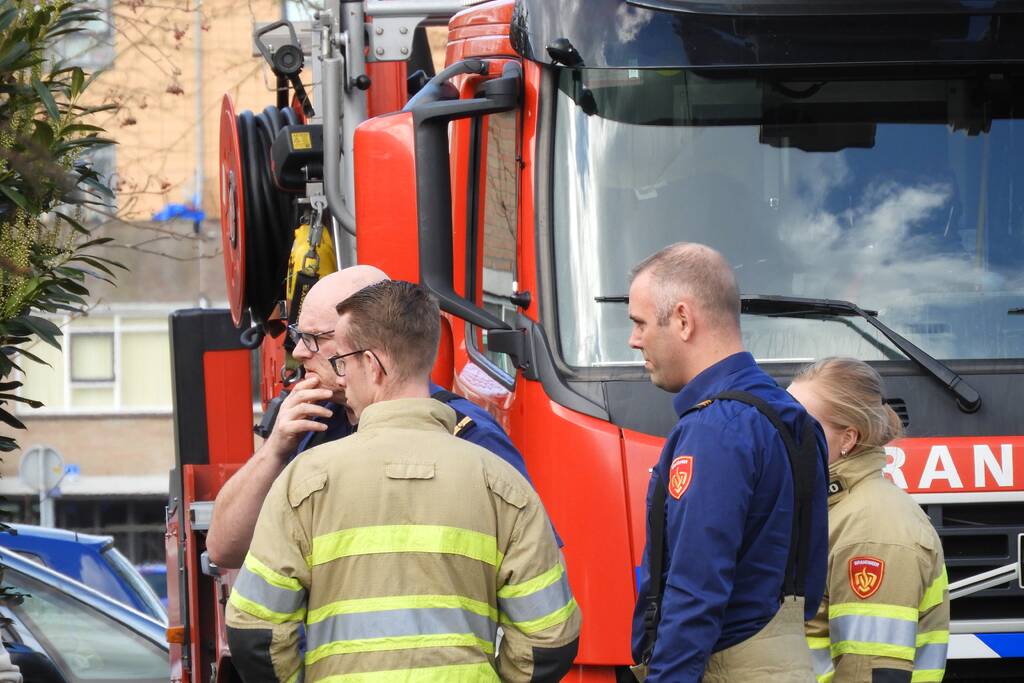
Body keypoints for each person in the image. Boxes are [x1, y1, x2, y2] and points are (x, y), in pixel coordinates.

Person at [225, 280, 580, 682]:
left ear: (372, 365)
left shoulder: (305, 480)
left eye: (343, 363)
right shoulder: (500, 480)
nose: (341, 376)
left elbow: (255, 631)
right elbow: (550, 634)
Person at [206, 266, 543, 569]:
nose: (299, 352)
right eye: (298, 335)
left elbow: (532, 564)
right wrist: (273, 451)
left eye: (314, 338)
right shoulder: (312, 423)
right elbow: (224, 549)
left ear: (369, 345)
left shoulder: (470, 436)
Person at [627, 242, 828, 682]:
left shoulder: (715, 428)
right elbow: (808, 580)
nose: (634, 339)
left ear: (683, 319)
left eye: (640, 322)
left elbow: (694, 592)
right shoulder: (794, 419)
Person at [788, 357, 949, 683]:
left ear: (847, 439)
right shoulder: (831, 509)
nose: (781, 435)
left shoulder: (871, 530)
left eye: (799, 425)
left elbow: (869, 674)